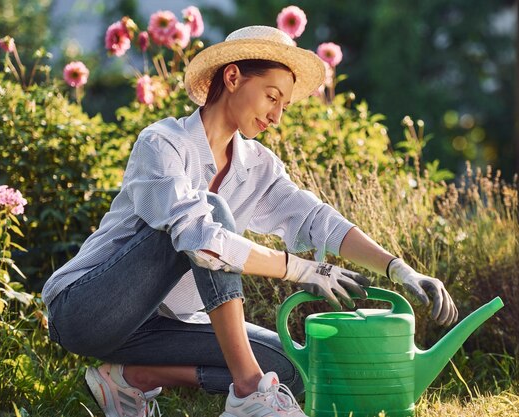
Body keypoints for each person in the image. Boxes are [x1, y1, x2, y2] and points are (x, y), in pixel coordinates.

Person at [42, 26, 458, 417]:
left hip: (162, 328)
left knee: (294, 368)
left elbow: (315, 218)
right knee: (210, 216)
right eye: (272, 97)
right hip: (87, 312)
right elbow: (201, 238)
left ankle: (131, 379)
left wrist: (397, 267)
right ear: (234, 77)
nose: (277, 116)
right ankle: (247, 393)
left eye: (284, 105)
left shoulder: (256, 166)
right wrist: (301, 269)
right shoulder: (163, 143)